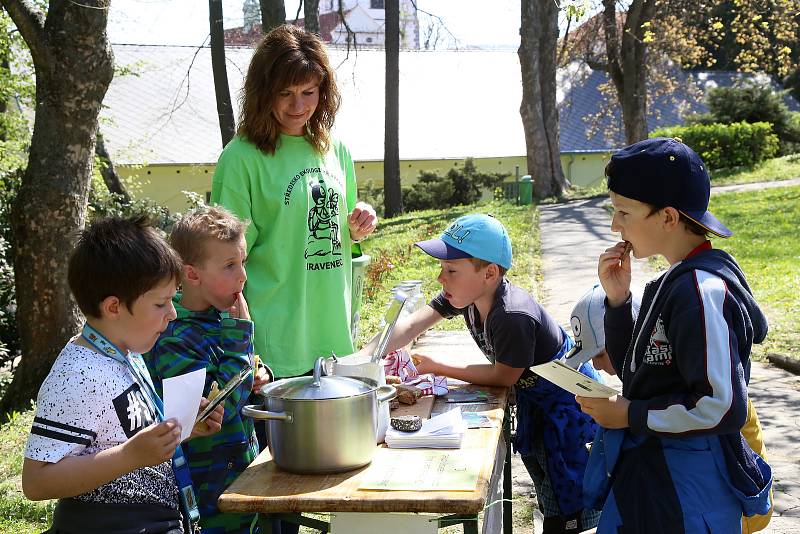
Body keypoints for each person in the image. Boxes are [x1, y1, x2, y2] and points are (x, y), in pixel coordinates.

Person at [577, 137, 772, 533]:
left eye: (623, 212)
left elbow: (720, 405)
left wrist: (628, 413)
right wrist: (618, 302)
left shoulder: (701, 291)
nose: (615, 225)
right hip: (654, 476)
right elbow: (636, 369)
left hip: (687, 490)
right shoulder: (675, 281)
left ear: (667, 217)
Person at [362, 213, 601, 534]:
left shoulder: (511, 316)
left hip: (571, 411)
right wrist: (363, 356)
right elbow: (408, 326)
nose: (440, 279)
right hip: (539, 405)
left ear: (489, 273)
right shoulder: (465, 296)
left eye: (450, 270)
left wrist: (435, 366)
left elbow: (503, 377)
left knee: (575, 504)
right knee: (550, 500)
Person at [22, 215, 224, 534]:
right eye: (161, 303)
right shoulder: (79, 374)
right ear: (114, 307)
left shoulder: (126, 349)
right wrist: (128, 456)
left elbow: (121, 434)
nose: (172, 314)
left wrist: (181, 428)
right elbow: (37, 481)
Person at [210, 24, 377, 383]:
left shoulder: (336, 150)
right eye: (284, 93)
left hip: (333, 345)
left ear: (324, 91)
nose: (298, 106)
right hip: (271, 355)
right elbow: (223, 259)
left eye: (309, 91)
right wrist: (241, 348)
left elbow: (343, 233)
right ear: (262, 93)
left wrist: (359, 222)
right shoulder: (241, 158)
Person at [572, 285, 773, 532]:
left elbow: (754, 503)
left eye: (600, 353)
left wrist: (628, 416)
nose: (595, 364)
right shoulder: (646, 386)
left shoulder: (713, 400)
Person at [144, 206, 272, 534]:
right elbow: (216, 412)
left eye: (241, 262)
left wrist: (259, 375)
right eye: (230, 265)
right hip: (208, 495)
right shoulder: (173, 336)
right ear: (192, 274)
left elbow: (235, 372)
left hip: (239, 477)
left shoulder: (220, 317)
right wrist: (241, 336)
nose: (242, 275)